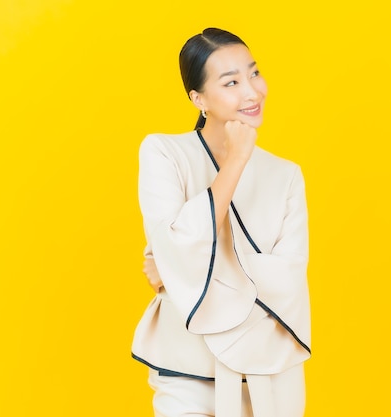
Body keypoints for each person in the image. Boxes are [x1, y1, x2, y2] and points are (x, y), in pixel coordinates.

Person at [131, 28, 311, 417]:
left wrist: (178, 268)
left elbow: (288, 279)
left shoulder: (287, 175)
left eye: (255, 74)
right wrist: (234, 161)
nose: (252, 91)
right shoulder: (164, 153)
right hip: (186, 367)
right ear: (198, 98)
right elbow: (176, 241)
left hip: (272, 371)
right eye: (231, 82)